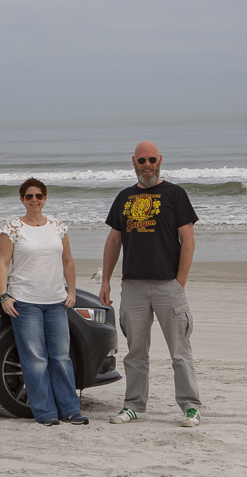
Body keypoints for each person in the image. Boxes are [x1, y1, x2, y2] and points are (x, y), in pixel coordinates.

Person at [99, 141, 202, 427]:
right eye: (142, 160)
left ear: (160, 161)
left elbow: (188, 241)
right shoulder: (124, 197)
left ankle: (190, 407)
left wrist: (179, 282)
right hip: (132, 286)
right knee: (135, 353)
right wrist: (105, 280)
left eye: (152, 159)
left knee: (180, 352)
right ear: (134, 161)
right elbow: (113, 240)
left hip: (168, 285)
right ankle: (133, 406)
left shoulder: (175, 194)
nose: (147, 165)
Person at [0, 178, 89, 427]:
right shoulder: (12, 228)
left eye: (39, 196)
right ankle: (44, 412)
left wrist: (71, 292)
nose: (34, 201)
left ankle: (70, 410)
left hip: (56, 301)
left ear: (45, 199)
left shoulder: (58, 227)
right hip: (25, 302)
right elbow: (3, 263)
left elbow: (68, 261)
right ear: (22, 200)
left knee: (61, 357)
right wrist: (4, 295)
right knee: (35, 359)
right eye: (29, 197)